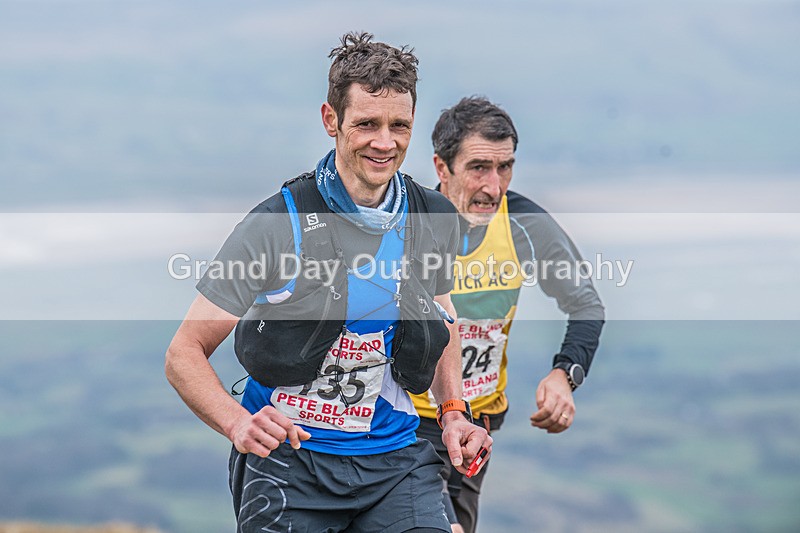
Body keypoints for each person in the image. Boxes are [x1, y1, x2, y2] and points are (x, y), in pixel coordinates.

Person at [165, 33, 492, 532]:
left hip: (395, 460)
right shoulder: (277, 222)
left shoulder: (433, 216)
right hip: (288, 460)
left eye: (399, 125)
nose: (385, 142)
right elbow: (183, 352)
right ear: (330, 120)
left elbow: (441, 316)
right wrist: (237, 423)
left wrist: (452, 412)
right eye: (366, 124)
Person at [412, 97, 605, 533]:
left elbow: (586, 303)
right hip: (406, 422)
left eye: (505, 168)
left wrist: (564, 375)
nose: (493, 187)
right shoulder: (409, 221)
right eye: (479, 167)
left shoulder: (522, 223)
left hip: (477, 426)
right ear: (442, 168)